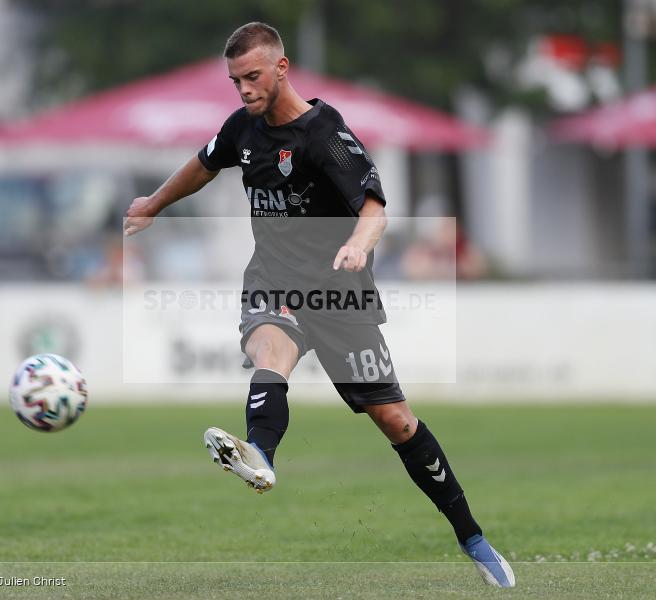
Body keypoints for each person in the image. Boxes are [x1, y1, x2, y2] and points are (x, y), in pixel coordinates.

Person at [123, 22, 515, 588]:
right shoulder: (243, 128)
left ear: (281, 69)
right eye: (235, 81)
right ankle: (260, 454)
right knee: (269, 348)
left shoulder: (325, 134)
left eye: (252, 77)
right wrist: (155, 203)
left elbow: (375, 207)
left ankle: (474, 539)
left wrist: (358, 243)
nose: (244, 91)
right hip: (274, 280)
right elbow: (204, 164)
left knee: (397, 421)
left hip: (339, 296)